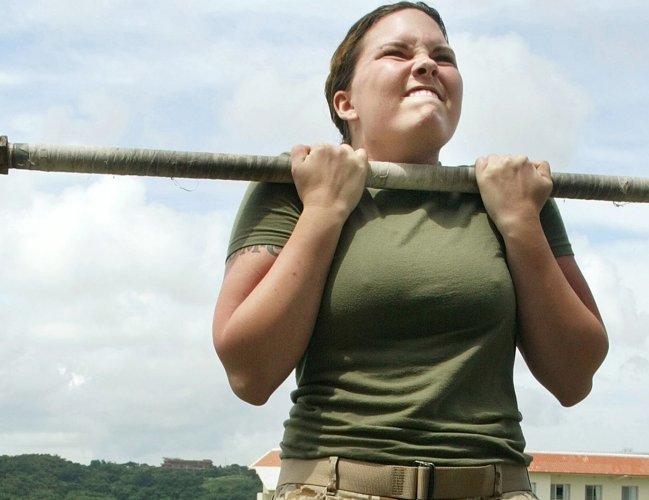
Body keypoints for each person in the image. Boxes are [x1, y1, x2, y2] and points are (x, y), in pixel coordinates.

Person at [212, 2, 608, 499]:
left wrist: (521, 222)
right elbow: (249, 373)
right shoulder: (296, 184)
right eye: (397, 53)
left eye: (442, 56)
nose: (426, 64)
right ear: (345, 102)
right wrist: (323, 211)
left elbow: (575, 378)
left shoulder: (514, 197)